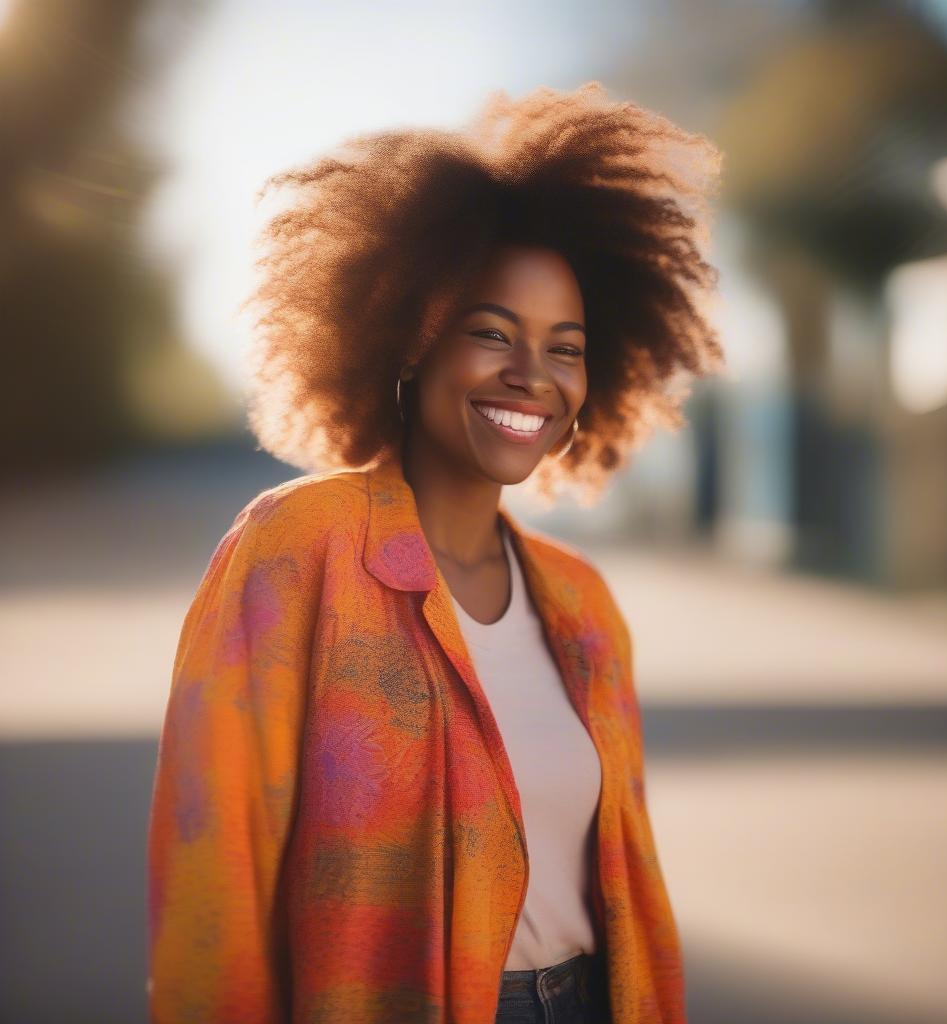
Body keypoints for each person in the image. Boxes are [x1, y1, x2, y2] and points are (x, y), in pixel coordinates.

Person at [146, 81, 723, 1024]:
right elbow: (214, 871)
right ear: (410, 344)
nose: (530, 374)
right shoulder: (296, 553)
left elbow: (630, 886)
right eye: (491, 333)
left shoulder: (584, 606)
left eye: (564, 347)